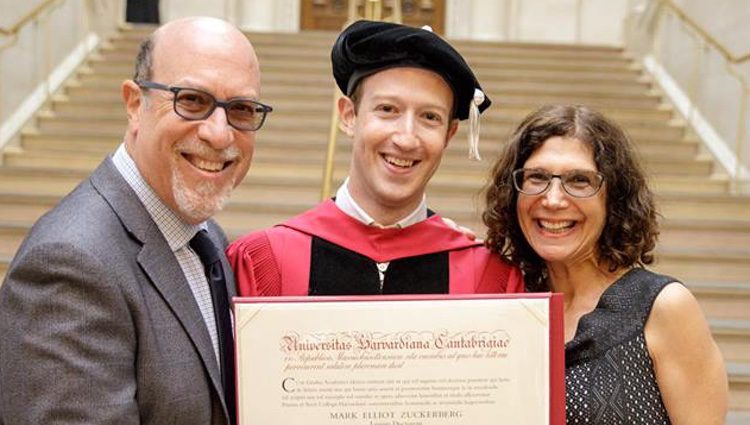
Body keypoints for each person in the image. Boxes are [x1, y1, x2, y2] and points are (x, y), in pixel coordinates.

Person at [0, 17, 271, 424]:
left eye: (241, 109)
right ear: (134, 105)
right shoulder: (69, 264)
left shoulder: (204, 234)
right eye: (192, 100)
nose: (219, 133)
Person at [227, 20, 522, 296]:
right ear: (349, 116)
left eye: (429, 117)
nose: (406, 138)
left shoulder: (485, 275)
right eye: (387, 109)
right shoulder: (265, 260)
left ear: (449, 134)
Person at [483, 104, 728, 424]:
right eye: (537, 177)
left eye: (580, 181)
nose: (553, 199)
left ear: (613, 199)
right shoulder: (510, 304)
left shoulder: (662, 307)